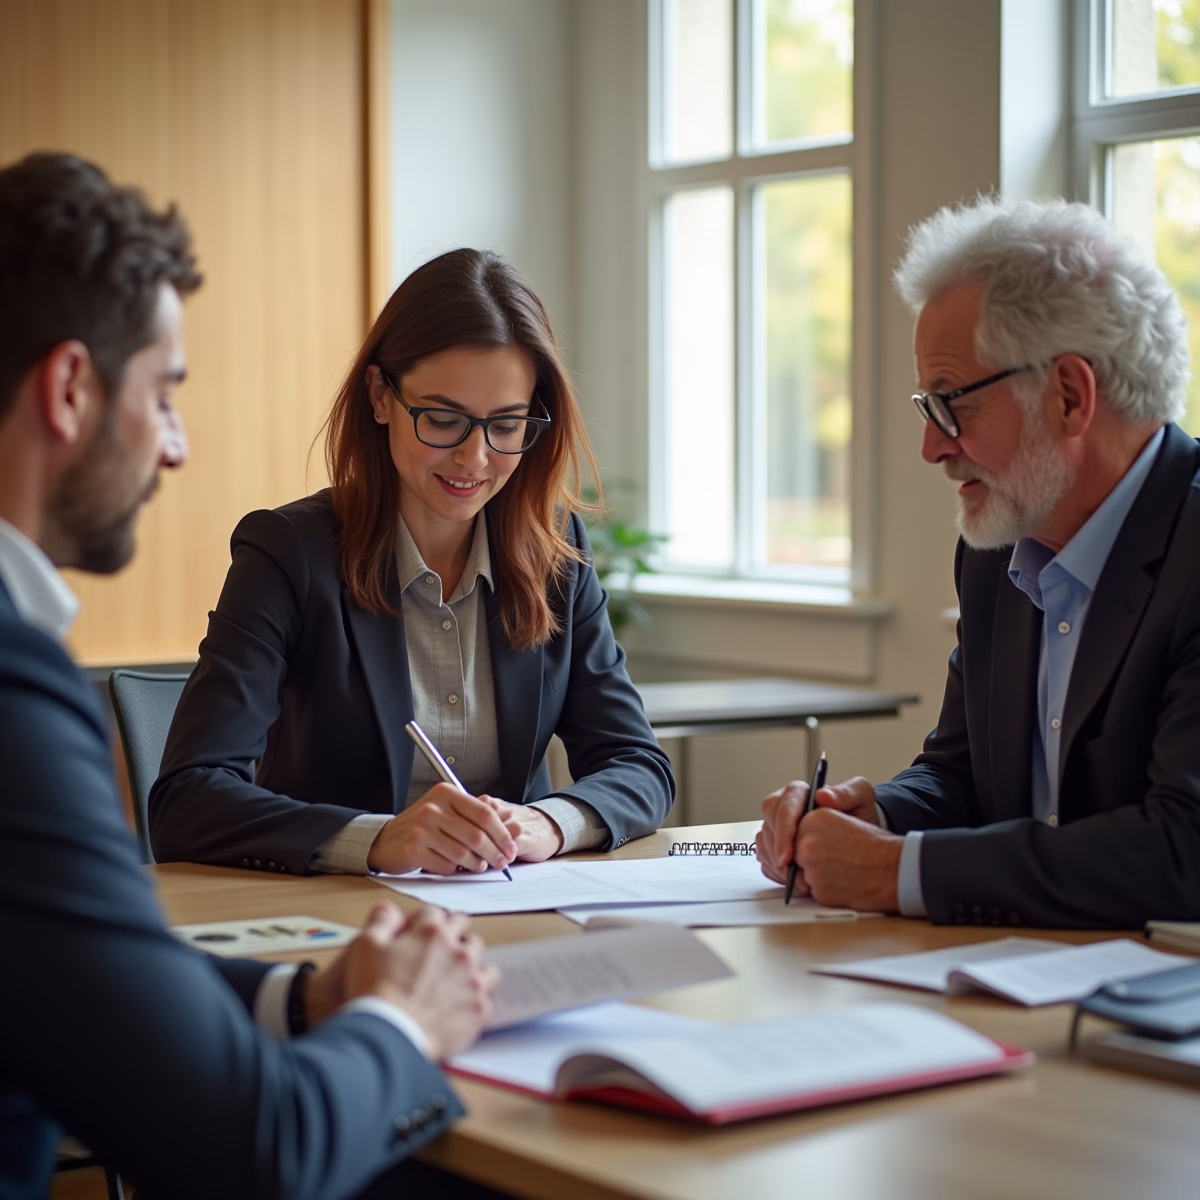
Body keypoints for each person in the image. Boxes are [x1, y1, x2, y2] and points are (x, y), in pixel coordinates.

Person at [0, 151, 500, 1200]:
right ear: (71, 388)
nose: (176, 446)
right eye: (164, 395)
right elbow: (258, 1151)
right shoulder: (15, 691)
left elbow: (88, 974)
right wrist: (403, 1020)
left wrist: (307, 1000)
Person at [148, 248, 674, 878]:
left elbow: (639, 766)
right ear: (380, 395)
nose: (474, 458)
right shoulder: (288, 553)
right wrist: (375, 839)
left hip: (510, 906)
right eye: (444, 420)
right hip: (341, 914)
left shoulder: (555, 552)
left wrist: (549, 823)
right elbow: (188, 799)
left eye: (507, 425)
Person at [757, 195, 1200, 929]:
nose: (932, 446)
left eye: (951, 402)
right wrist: (873, 816)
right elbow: (962, 776)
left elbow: (1184, 850)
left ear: (1069, 395)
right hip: (1009, 971)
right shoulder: (999, 549)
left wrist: (897, 872)